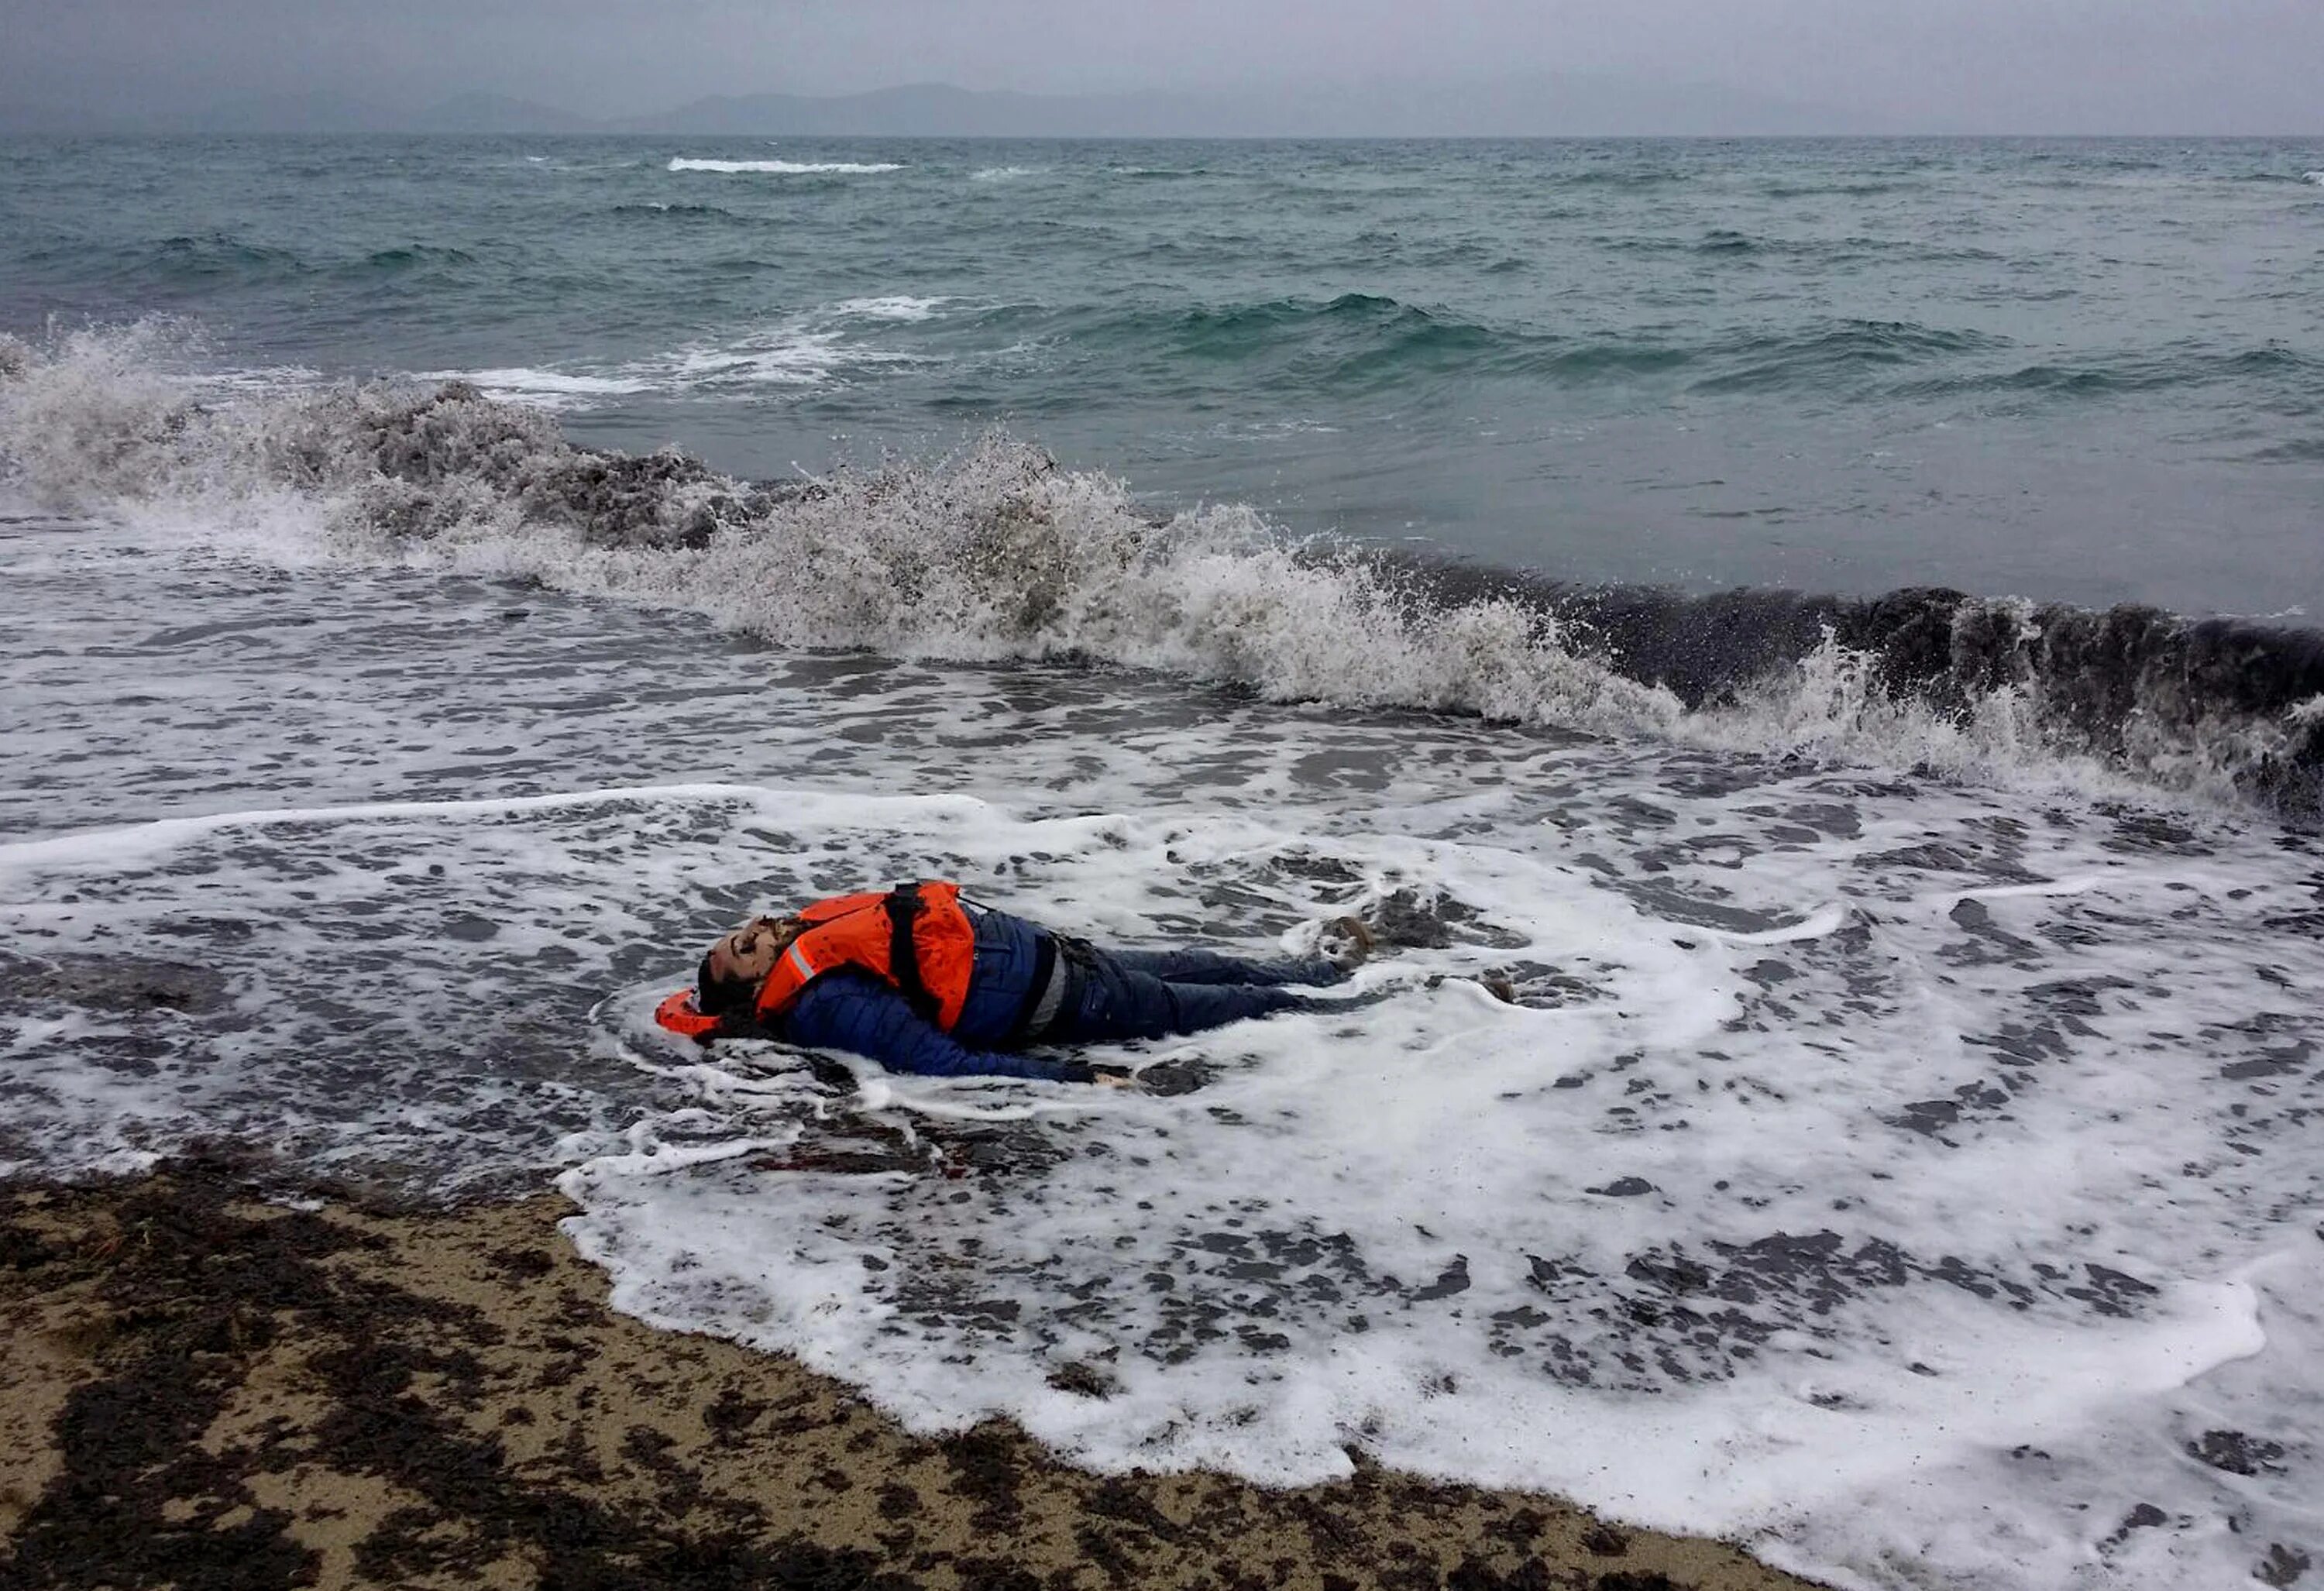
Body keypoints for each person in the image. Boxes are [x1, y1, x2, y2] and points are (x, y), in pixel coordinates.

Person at [654, 879, 1371, 1084]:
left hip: (1064, 956)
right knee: (1222, 1005)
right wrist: (1074, 1079)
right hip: (1068, 997)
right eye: (744, 952)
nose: (753, 931)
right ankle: (1382, 1011)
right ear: (756, 991)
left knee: (1205, 961)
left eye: (740, 931)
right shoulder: (827, 1003)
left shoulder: (817, 946)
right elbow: (942, 1064)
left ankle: (1327, 970)